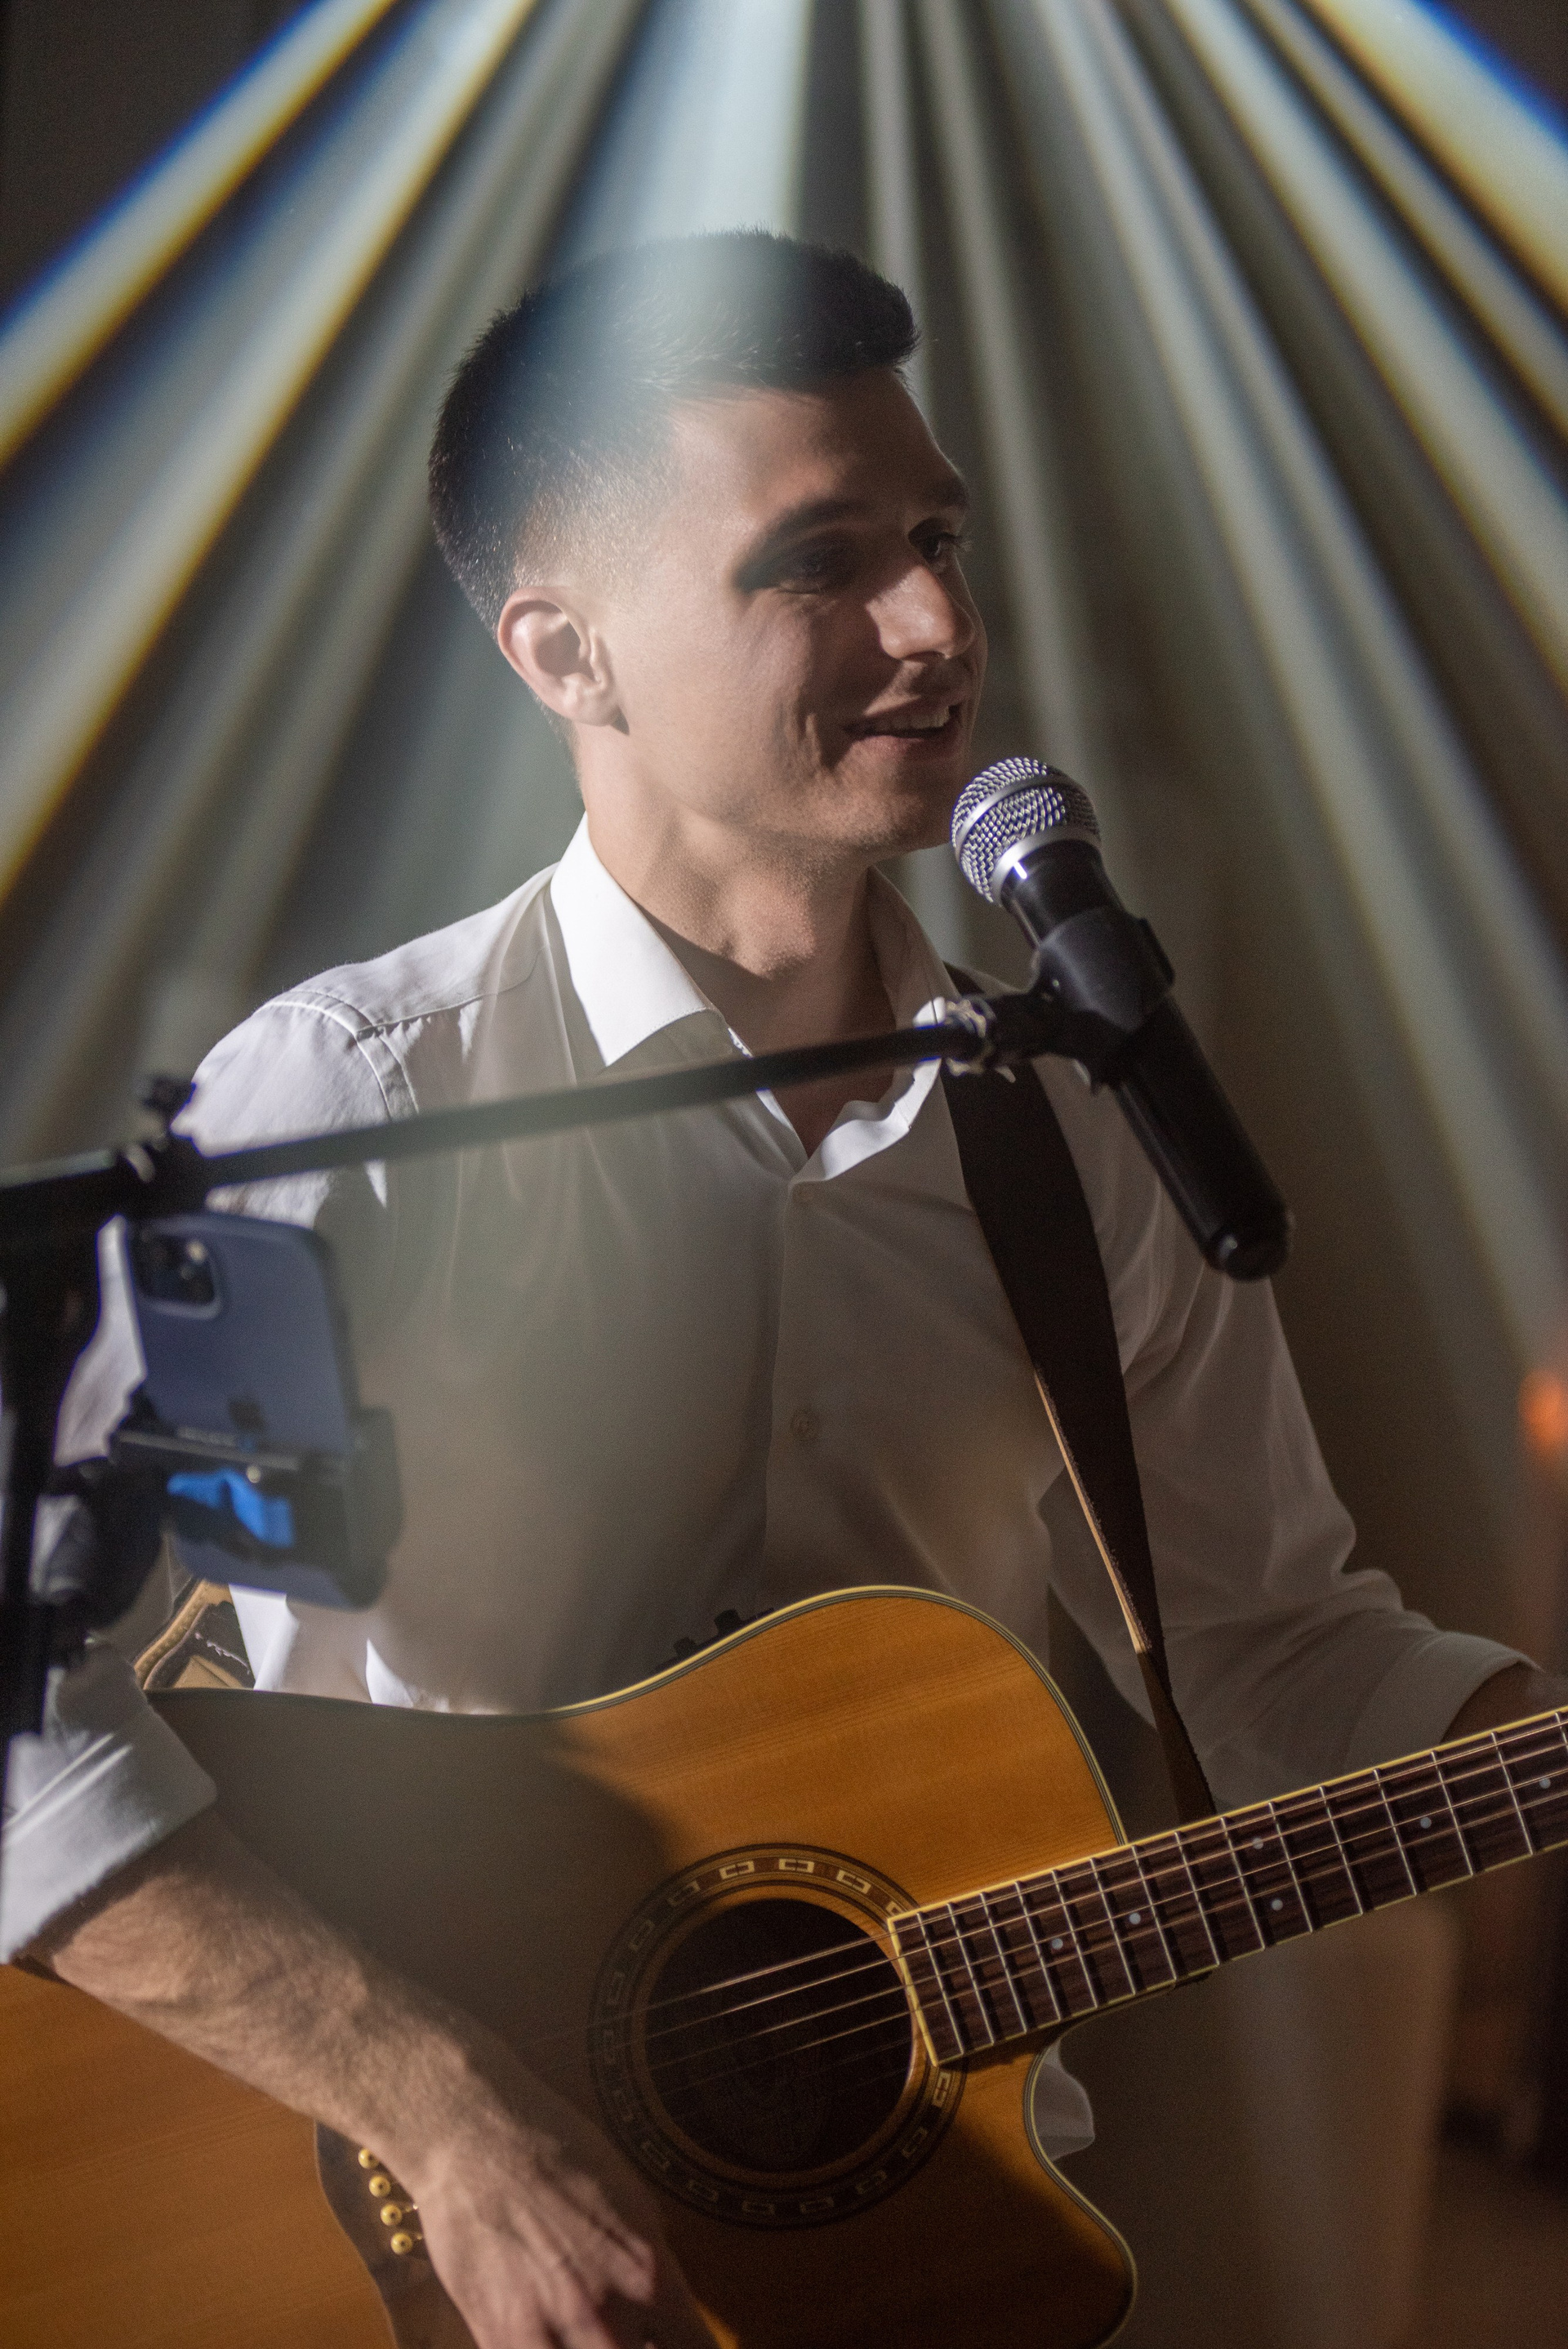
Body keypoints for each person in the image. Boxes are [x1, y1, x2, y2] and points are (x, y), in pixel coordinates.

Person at [2, 233, 1557, 2349]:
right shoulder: (359, 1099)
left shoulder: (1067, 1128)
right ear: (569, 653)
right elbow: (24, 1702)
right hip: (415, 2247)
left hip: (922, 2239)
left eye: (939, 539)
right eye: (821, 560)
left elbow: (1274, 1641)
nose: (938, 626)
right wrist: (446, 2118)